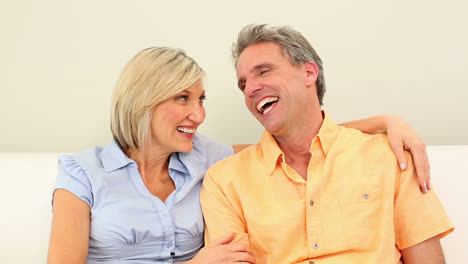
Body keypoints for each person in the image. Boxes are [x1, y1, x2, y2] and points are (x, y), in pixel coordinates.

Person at [48, 47, 431, 264]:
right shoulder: (84, 173)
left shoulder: (204, 158)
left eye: (200, 100)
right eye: (182, 98)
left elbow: (298, 138)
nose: (198, 115)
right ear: (142, 101)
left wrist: (385, 120)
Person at [200, 25, 454, 264]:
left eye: (264, 71)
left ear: (309, 73)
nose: (250, 88)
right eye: (243, 84)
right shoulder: (225, 180)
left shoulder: (389, 156)